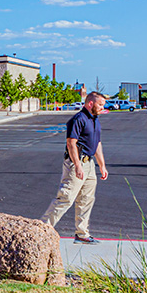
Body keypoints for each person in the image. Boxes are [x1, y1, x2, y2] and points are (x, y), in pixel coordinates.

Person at [41, 91, 108, 243]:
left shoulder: (95, 119)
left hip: (89, 163)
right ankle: (42, 230)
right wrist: (77, 165)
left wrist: (102, 165)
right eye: (100, 104)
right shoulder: (78, 119)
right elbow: (71, 143)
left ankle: (82, 233)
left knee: (86, 199)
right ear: (90, 103)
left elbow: (97, 143)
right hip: (76, 162)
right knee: (66, 198)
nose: (103, 107)